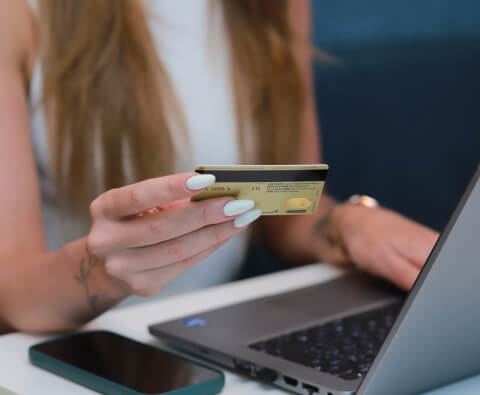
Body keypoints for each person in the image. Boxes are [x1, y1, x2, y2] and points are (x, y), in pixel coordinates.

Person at [0, 0, 438, 334]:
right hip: (69, 352)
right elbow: (15, 294)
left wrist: (349, 223)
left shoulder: (273, 6)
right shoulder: (19, 16)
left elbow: (285, 215)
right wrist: (104, 268)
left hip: (209, 335)